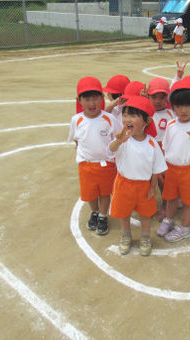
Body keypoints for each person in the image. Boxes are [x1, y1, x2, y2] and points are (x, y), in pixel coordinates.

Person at [108, 96, 167, 256]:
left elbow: (156, 169)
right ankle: (126, 236)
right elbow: (110, 150)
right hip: (123, 184)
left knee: (146, 215)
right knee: (124, 213)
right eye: (125, 115)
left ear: (146, 121)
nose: (127, 119)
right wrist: (118, 141)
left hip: (144, 186)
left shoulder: (152, 143)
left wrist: (153, 187)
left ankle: (145, 238)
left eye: (133, 115)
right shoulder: (122, 140)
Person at [68, 76, 122, 235]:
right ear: (79, 100)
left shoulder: (109, 118)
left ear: (102, 98)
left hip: (106, 164)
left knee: (105, 193)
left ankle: (103, 215)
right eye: (87, 99)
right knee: (90, 194)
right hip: (86, 164)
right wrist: (81, 157)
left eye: (96, 98)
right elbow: (76, 141)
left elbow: (117, 139)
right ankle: (95, 212)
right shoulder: (76, 120)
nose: (92, 103)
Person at [157, 80, 190, 243]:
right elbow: (165, 148)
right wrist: (163, 167)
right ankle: (168, 219)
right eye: (179, 106)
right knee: (171, 197)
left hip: (189, 170)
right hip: (171, 169)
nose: (183, 110)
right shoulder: (171, 124)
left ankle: (185, 228)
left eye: (188, 105)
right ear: (173, 106)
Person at [147, 77, 174, 221]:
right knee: (147, 179)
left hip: (164, 152)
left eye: (162, 97)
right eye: (153, 96)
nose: (157, 101)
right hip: (147, 151)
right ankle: (147, 204)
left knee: (163, 180)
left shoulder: (171, 114)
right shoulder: (144, 111)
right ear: (147, 95)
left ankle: (166, 203)